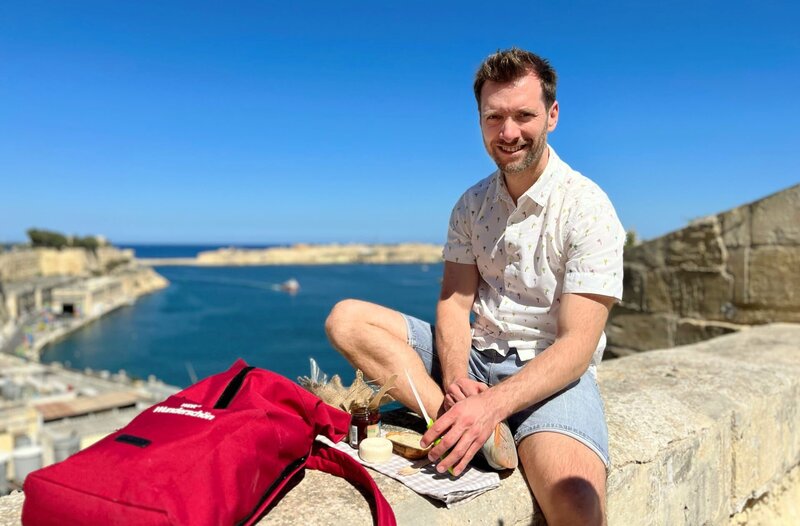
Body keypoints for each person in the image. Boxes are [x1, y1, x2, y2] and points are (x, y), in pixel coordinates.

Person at [325, 47, 624, 525]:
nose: (508, 133)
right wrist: (458, 382)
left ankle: (479, 425)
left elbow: (577, 345)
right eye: (494, 117)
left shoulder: (588, 209)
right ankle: (454, 417)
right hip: (477, 362)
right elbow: (454, 302)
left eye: (524, 115)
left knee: (577, 507)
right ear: (480, 120)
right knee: (346, 319)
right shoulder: (471, 204)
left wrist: (491, 407)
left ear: (552, 115)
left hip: (549, 373)